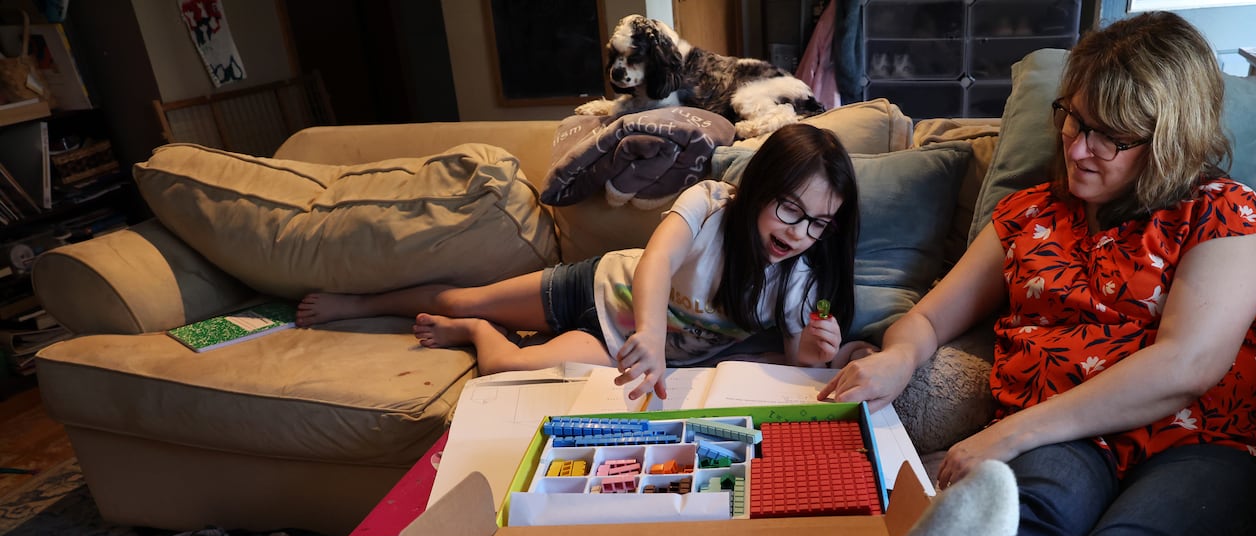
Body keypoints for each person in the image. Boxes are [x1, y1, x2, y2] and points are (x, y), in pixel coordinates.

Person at [812, 12, 1256, 536]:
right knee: (1026, 527)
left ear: (1169, 137)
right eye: (1071, 118)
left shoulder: (1224, 214)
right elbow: (930, 315)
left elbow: (1186, 367)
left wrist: (1005, 435)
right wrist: (898, 356)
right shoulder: (1030, 213)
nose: (1078, 147)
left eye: (1111, 135)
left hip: (1208, 446)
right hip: (1074, 443)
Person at [295, 123, 862, 400]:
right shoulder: (711, 203)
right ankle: (361, 302)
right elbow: (657, 263)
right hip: (594, 289)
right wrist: (653, 334)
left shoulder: (798, 279)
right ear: (760, 186)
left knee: (508, 371)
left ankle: (474, 333)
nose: (799, 233)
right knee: (459, 296)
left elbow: (792, 367)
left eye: (819, 223)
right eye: (790, 210)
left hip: (615, 345)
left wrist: (812, 356)